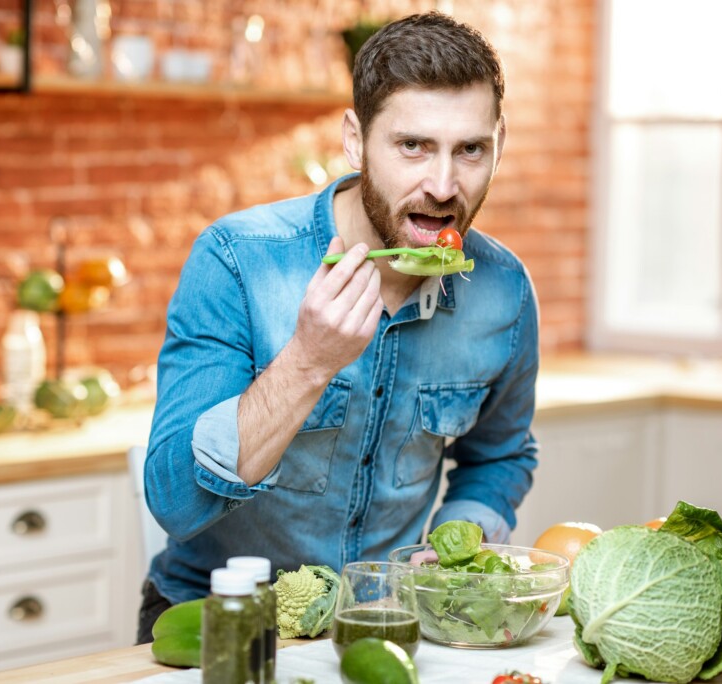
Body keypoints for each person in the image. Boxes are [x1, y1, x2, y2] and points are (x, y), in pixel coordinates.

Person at [136, 11, 539, 643]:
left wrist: (459, 539)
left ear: (499, 144)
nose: (442, 185)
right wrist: (309, 361)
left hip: (385, 622)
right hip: (218, 619)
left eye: (469, 150)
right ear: (355, 139)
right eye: (412, 146)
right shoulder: (237, 261)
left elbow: (499, 455)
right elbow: (175, 502)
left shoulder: (504, 290)